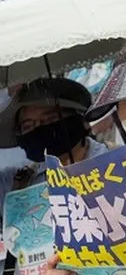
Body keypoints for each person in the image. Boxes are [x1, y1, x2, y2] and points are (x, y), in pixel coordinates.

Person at [0, 78, 108, 275]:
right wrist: (7, 99)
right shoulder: (17, 181)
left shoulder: (116, 167)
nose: (39, 129)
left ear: (80, 119)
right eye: (28, 125)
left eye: (50, 120)